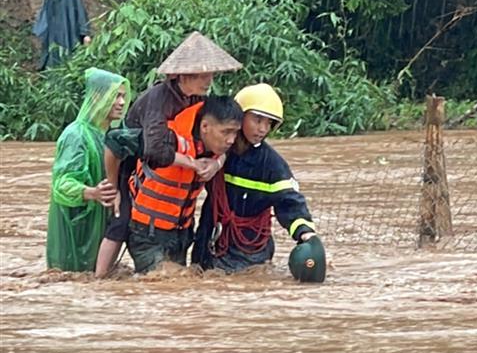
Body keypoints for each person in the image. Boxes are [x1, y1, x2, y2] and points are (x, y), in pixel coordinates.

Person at [96, 31, 242, 277]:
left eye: (210, 74)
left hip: (174, 204)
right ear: (182, 76)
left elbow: (216, 138)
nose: (208, 80)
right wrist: (194, 164)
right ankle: (98, 279)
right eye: (201, 75)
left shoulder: (197, 99)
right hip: (131, 160)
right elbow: (157, 151)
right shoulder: (159, 99)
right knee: (121, 221)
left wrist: (215, 164)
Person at [192, 84, 325, 280]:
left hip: (249, 254)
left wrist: (306, 235)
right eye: (257, 120)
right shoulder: (216, 148)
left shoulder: (272, 165)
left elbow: (290, 201)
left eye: (269, 123)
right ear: (240, 116)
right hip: (208, 244)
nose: (263, 129)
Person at [124, 95, 243, 274]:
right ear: (205, 127)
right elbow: (119, 143)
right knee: (168, 281)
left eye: (235, 133)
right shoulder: (167, 137)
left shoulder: (216, 145)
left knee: (177, 293)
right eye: (226, 132)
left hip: (181, 234)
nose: (231, 140)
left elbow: (240, 147)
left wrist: (217, 163)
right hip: (147, 233)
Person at [46, 69, 130, 271]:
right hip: (76, 224)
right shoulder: (76, 134)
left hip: (101, 223)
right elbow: (62, 184)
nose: (120, 103)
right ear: (98, 98)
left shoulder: (112, 135)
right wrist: (92, 192)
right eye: (115, 96)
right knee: (70, 275)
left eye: (123, 97)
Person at [32, 0, 91, 69]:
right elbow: (44, 19)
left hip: (69, 33)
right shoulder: (49, 0)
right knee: (53, 59)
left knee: (69, 59)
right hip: (54, 37)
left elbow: (80, 14)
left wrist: (85, 33)